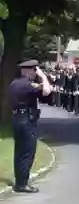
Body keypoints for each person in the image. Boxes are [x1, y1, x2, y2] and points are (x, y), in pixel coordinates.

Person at [8, 59, 52, 193]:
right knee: (28, 152)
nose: (35, 73)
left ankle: (19, 181)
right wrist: (43, 76)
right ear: (28, 70)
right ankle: (22, 184)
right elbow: (47, 91)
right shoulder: (28, 85)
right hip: (27, 120)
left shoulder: (14, 83)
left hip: (16, 118)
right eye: (35, 70)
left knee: (19, 152)